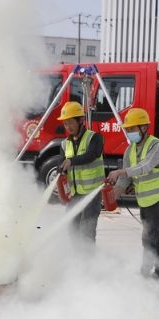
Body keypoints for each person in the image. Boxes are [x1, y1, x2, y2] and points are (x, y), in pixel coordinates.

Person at [107, 108, 159, 282]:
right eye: (127, 129)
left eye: (132, 129)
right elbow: (124, 182)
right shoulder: (130, 151)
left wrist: (120, 172)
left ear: (144, 127)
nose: (129, 133)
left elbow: (145, 167)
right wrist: (112, 196)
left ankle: (144, 272)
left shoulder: (156, 146)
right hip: (145, 198)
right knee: (153, 233)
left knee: (148, 234)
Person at [58, 101, 105, 244]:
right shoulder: (64, 144)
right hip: (74, 195)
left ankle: (88, 265)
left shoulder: (94, 138)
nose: (68, 127)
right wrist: (61, 180)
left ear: (80, 120)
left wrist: (71, 161)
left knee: (87, 233)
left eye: (71, 123)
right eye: (65, 124)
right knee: (72, 230)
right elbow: (63, 166)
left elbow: (91, 155)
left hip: (92, 194)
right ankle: (76, 263)